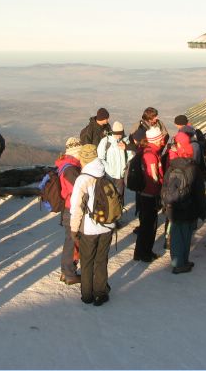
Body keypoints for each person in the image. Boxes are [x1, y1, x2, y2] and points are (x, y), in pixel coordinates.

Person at [69, 144, 115, 306]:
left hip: (89, 228)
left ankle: (87, 295)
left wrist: (74, 229)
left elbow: (76, 207)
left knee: (87, 261)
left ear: (84, 159)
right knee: (101, 260)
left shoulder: (83, 179)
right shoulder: (105, 172)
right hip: (107, 225)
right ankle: (100, 293)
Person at [161, 132, 206, 274]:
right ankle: (179, 264)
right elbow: (199, 192)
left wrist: (165, 205)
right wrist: (202, 210)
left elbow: (164, 186)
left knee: (177, 234)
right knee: (185, 235)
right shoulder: (193, 168)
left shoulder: (172, 166)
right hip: (189, 207)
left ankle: (181, 261)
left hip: (173, 207)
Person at [133, 126, 165, 263]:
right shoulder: (151, 155)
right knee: (149, 226)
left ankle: (139, 252)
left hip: (144, 193)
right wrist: (160, 191)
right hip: (149, 195)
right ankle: (145, 253)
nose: (163, 141)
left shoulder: (146, 151)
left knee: (145, 224)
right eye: (161, 139)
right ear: (156, 140)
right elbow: (153, 178)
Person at [55, 137, 83, 284]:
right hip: (72, 209)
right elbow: (77, 191)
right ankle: (69, 274)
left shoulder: (67, 165)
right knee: (72, 242)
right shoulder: (71, 169)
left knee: (71, 241)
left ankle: (67, 272)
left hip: (68, 209)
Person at [97, 121, 133, 203]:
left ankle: (119, 209)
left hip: (120, 175)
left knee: (120, 196)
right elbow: (100, 158)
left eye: (120, 134)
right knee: (109, 197)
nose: (119, 136)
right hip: (109, 175)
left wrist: (126, 166)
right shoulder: (106, 141)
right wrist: (107, 168)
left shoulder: (126, 140)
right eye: (117, 134)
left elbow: (131, 155)